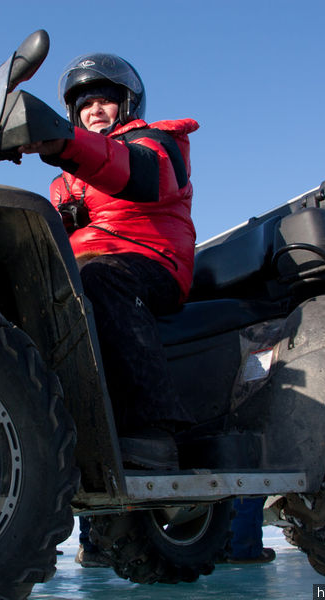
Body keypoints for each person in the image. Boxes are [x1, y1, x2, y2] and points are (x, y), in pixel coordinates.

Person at [21, 53, 199, 469]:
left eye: (104, 100)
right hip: (87, 264)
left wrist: (64, 143)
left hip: (151, 260)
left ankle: (153, 428)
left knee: (99, 277)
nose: (94, 109)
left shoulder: (156, 142)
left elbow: (144, 174)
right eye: (84, 104)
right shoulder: (64, 179)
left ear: (128, 104)